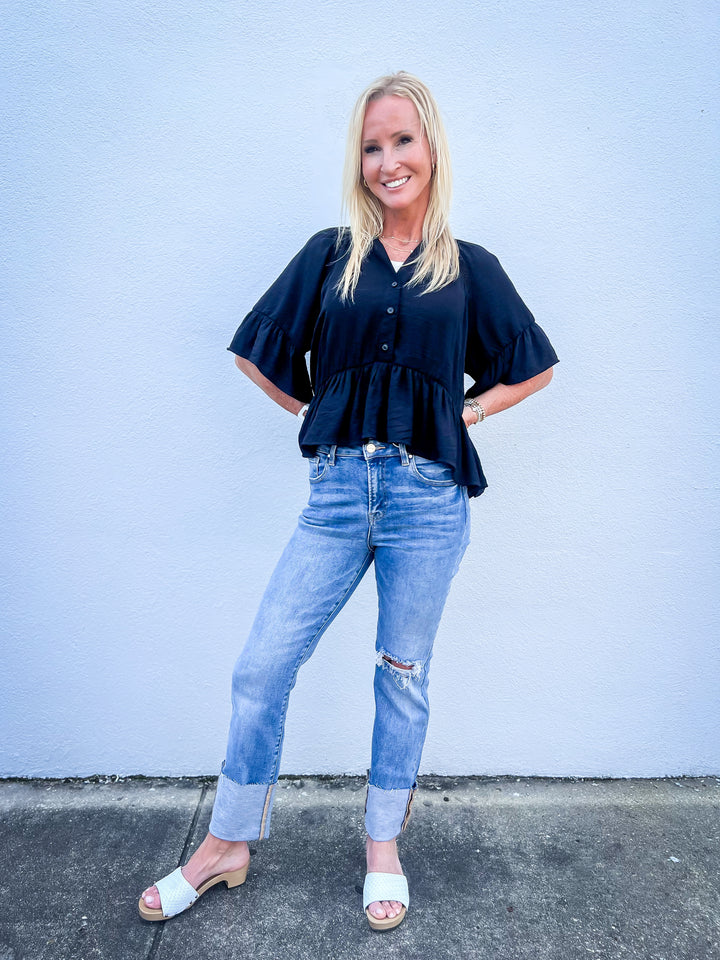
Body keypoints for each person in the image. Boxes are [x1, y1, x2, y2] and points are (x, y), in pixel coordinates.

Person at [138, 71, 558, 931]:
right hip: (337, 493)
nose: (387, 160)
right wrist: (313, 408)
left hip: (428, 500)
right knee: (263, 665)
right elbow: (256, 350)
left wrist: (466, 412)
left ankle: (382, 849)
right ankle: (225, 844)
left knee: (401, 676)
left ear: (431, 149)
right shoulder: (331, 255)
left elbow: (534, 367)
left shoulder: (469, 269)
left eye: (402, 140)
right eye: (371, 146)